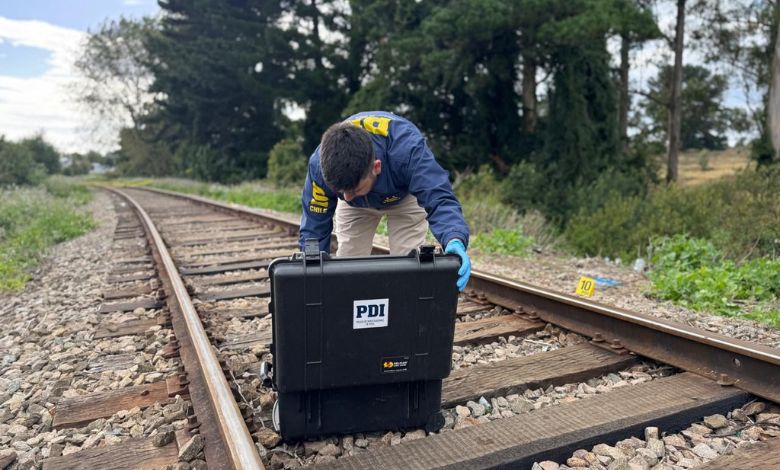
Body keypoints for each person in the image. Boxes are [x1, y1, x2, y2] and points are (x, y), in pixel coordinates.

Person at [299, 110, 471, 291]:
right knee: (349, 262)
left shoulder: (408, 151)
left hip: (403, 198)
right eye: (341, 192)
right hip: (357, 208)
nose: (346, 197)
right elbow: (314, 222)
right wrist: (311, 267)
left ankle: (403, 310)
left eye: (354, 189)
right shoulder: (320, 166)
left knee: (408, 265)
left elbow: (438, 197)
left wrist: (454, 238)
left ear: (376, 167)